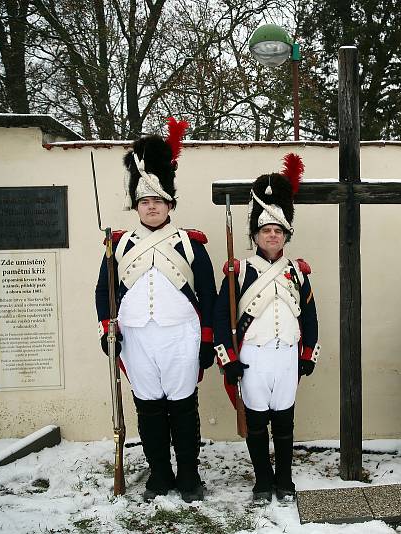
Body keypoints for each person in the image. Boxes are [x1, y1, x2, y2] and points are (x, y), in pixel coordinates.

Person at [94, 118, 217, 503]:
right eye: (145, 201)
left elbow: (209, 296)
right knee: (148, 409)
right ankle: (159, 474)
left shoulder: (190, 244)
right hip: (136, 338)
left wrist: (207, 341)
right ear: (137, 205)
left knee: (182, 407)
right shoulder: (118, 245)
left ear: (170, 205)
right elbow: (104, 291)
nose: (151, 207)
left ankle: (189, 475)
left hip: (181, 337)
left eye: (158, 201)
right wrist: (106, 329)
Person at [213, 154, 319, 502]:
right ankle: (262, 480)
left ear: (286, 234)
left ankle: (284, 479)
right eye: (265, 230)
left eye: (278, 230)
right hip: (252, 357)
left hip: (287, 356)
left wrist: (308, 354)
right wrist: (228, 359)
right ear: (255, 235)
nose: (272, 236)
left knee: (285, 422)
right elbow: (221, 318)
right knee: (257, 423)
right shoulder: (239, 271)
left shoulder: (298, 272)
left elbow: (310, 316)